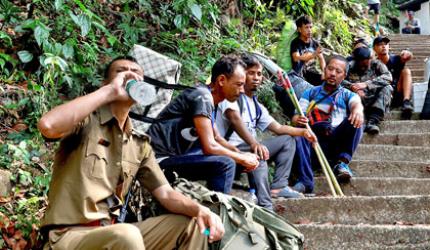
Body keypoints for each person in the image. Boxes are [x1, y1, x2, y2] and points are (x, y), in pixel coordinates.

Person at [37, 56, 224, 249]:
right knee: (127, 234)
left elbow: (166, 194)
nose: (130, 76)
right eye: (121, 71)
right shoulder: (84, 121)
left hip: (113, 234)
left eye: (136, 74)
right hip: (69, 237)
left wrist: (201, 210)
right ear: (105, 82)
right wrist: (109, 91)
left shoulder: (139, 144)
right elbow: (48, 126)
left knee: (194, 226)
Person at [147, 55, 259, 195]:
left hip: (173, 158)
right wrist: (242, 158)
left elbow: (217, 138)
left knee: (234, 160)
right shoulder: (203, 97)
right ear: (222, 80)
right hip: (156, 160)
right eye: (239, 84)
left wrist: (242, 155)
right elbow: (210, 146)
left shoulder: (208, 98)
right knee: (226, 164)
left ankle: (210, 202)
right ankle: (219, 211)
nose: (242, 90)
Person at [215, 54, 317, 208]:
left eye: (259, 73)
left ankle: (279, 186)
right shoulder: (231, 95)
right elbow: (234, 118)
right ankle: (266, 206)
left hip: (250, 148)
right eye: (251, 73)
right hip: (230, 149)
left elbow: (278, 128)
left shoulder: (257, 106)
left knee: (287, 140)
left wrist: (303, 133)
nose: (256, 77)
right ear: (242, 74)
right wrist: (255, 143)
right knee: (259, 154)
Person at [292, 55, 364, 191]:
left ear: (344, 76)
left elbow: (356, 105)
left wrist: (357, 111)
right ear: (324, 70)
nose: (333, 74)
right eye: (330, 69)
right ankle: (305, 180)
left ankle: (341, 163)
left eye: (338, 71)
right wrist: (298, 120)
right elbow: (296, 116)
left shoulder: (348, 94)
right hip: (314, 143)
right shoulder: (310, 93)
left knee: (357, 120)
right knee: (299, 133)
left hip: (336, 143)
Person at [344, 47, 392, 135]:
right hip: (357, 101)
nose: (364, 67)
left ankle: (373, 121)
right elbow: (339, 80)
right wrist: (352, 87)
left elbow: (388, 77)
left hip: (375, 99)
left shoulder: (376, 64)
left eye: (366, 64)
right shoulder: (349, 66)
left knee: (387, 87)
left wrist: (367, 84)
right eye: (361, 64)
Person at [373, 36, 414, 118]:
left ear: (389, 47)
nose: (384, 46)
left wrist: (408, 53)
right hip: (383, 95)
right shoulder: (373, 64)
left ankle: (406, 102)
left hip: (397, 94)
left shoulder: (396, 59)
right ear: (374, 48)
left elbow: (406, 56)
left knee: (406, 71)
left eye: (386, 44)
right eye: (380, 44)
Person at [290, 15, 326, 86]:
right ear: (299, 29)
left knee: (327, 82)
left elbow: (321, 59)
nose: (309, 30)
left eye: (310, 27)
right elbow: (296, 58)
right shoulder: (295, 43)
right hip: (296, 76)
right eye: (306, 27)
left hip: (309, 74)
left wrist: (324, 72)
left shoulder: (315, 43)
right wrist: (313, 55)